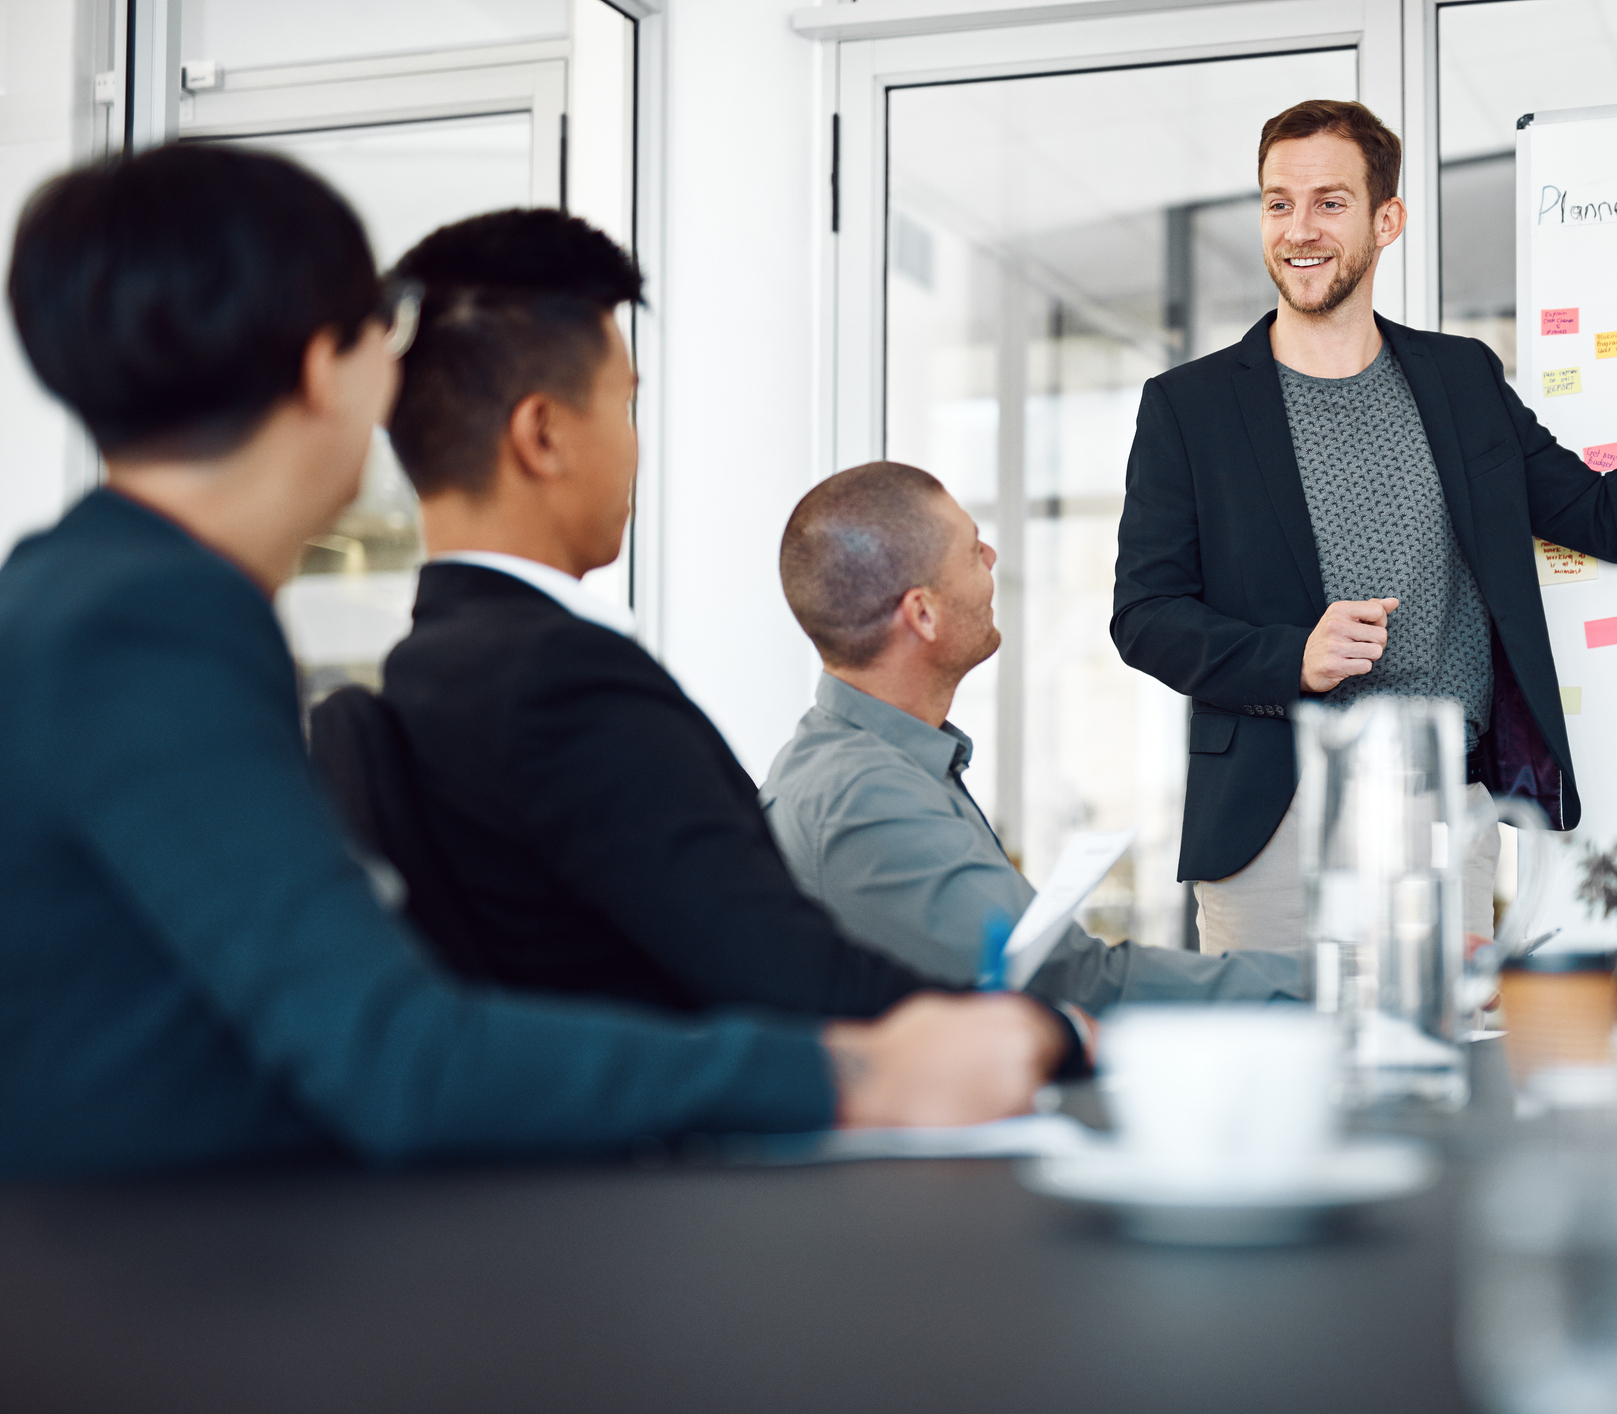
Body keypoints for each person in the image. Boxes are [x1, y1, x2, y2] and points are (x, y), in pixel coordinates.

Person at [0, 145, 1065, 1180]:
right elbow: (391, 1051)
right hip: (143, 1284)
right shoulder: (150, 625)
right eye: (383, 336)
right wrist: (847, 1071)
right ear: (331, 367)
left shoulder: (79, 595)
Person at [369, 210, 1088, 1042]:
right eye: (624, 405)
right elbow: (785, 972)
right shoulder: (564, 685)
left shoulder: (430, 668)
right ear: (544, 434)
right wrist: (1052, 1037)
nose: (635, 447)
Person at [1110, 99, 1617, 957]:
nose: (1298, 230)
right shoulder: (1190, 407)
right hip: (1272, 813)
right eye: (1277, 203)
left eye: (1329, 202)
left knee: (1438, 1077)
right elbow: (1144, 616)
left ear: (1385, 219)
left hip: (1441, 811)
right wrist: (1291, 655)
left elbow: (1604, 518)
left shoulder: (1461, 378)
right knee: (1285, 1076)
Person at [762, 462, 1305, 1007]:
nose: (993, 559)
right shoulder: (864, 793)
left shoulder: (861, 761)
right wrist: (1317, 987)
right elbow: (1067, 980)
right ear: (922, 614)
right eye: (974, 550)